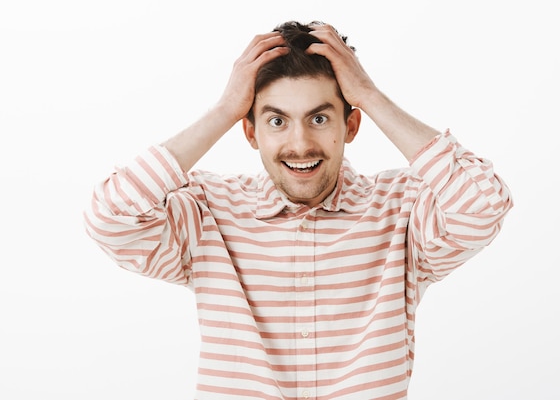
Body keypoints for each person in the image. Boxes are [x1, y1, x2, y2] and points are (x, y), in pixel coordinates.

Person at [84, 20, 513, 399]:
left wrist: (369, 94)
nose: (300, 144)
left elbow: (484, 205)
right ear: (249, 131)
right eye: (276, 121)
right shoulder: (206, 212)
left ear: (351, 125)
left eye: (320, 118)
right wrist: (223, 111)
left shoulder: (402, 210)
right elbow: (109, 217)